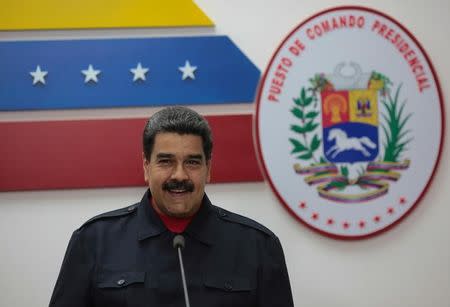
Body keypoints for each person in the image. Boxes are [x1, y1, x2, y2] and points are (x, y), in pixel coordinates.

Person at [49, 106, 294, 307]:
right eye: (166, 161)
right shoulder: (94, 241)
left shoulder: (258, 246)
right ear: (146, 167)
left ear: (209, 169)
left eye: (192, 162)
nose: (179, 175)